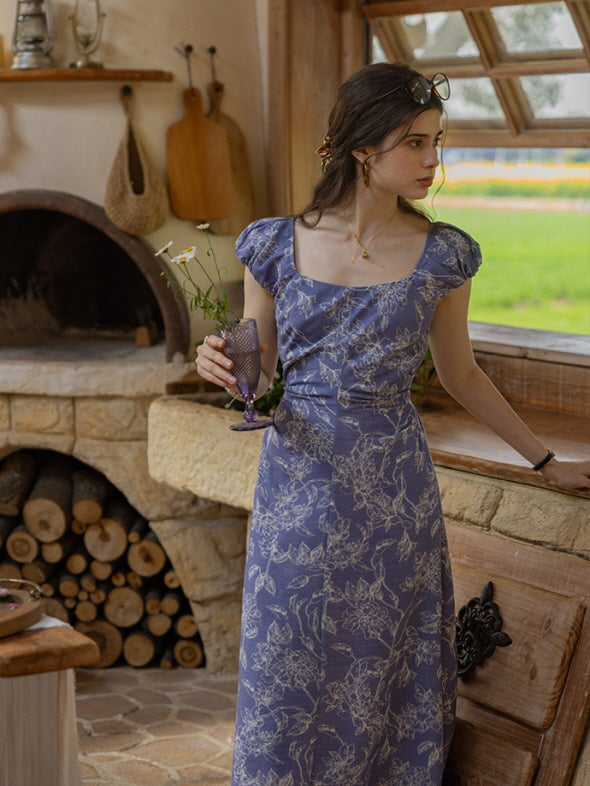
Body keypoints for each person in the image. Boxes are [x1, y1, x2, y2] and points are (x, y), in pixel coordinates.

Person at [196, 61, 590, 786]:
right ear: (361, 149)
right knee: (288, 658)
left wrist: (545, 462)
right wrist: (214, 360)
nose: (433, 162)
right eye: (415, 143)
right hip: (299, 485)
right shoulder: (273, 245)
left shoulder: (444, 255)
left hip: (395, 494)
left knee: (383, 663)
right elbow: (255, 361)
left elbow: (462, 374)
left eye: (438, 142)